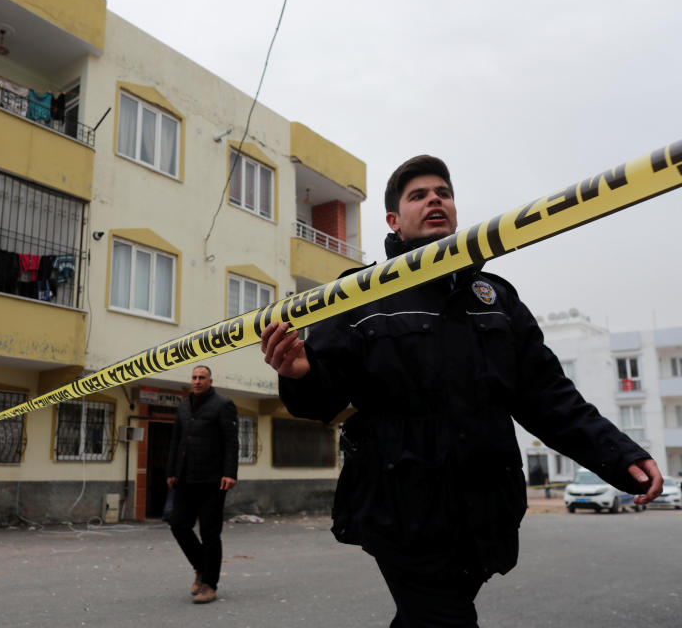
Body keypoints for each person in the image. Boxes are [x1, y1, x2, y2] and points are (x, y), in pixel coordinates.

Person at [260, 155, 663, 627]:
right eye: (419, 195)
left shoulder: (496, 299)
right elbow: (321, 399)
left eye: (443, 193)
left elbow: (549, 397)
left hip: (484, 511)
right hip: (401, 509)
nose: (435, 199)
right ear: (394, 220)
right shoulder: (359, 294)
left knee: (427, 617)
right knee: (443, 619)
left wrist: (618, 455)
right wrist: (299, 372)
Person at [166, 365, 239, 604]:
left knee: (210, 533)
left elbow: (231, 442)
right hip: (185, 478)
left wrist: (230, 473)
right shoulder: (184, 406)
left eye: (202, 378)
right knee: (178, 524)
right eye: (194, 377)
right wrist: (171, 472)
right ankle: (201, 567)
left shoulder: (223, 405)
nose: (197, 381)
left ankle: (209, 584)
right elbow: (176, 441)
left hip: (213, 480)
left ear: (210, 381)